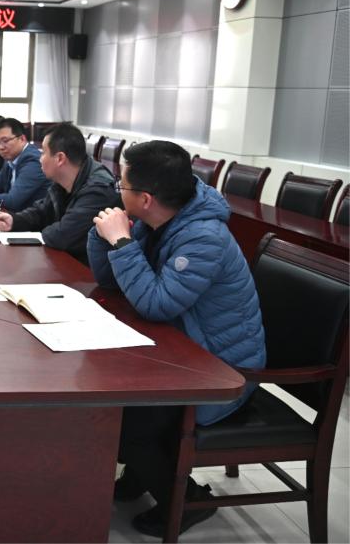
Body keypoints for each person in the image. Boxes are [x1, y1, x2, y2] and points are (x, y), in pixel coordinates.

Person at [87, 140, 266, 538]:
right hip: (185, 351)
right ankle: (141, 475)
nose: (117, 189)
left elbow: (156, 304)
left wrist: (122, 242)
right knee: (110, 397)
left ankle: (187, 502)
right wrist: (105, 236)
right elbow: (110, 281)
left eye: (122, 185)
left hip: (221, 370)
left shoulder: (203, 237)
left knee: (127, 422)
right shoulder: (161, 217)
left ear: (145, 199)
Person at [0, 122, 119, 263]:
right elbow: (41, 211)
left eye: (43, 153)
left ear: (60, 158)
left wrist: (41, 231)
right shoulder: (63, 179)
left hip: (86, 269)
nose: (40, 158)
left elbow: (63, 235)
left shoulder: (97, 191)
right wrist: (14, 221)